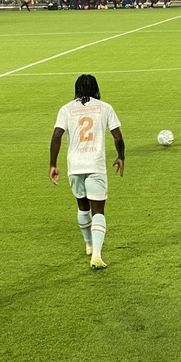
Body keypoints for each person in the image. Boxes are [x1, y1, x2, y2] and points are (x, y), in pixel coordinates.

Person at [49, 74, 125, 269]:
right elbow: (117, 137)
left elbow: (56, 136)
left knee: (82, 207)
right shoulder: (105, 107)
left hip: (74, 165)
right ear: (95, 88)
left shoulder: (66, 109)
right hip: (95, 164)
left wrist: (53, 164)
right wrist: (121, 156)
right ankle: (97, 255)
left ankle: (89, 245)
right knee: (98, 210)